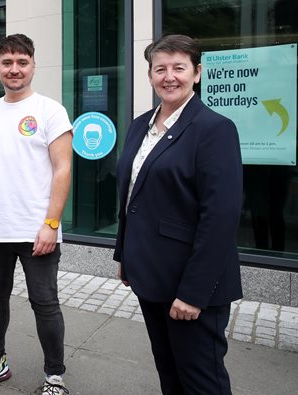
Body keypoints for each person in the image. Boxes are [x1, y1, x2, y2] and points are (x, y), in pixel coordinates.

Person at [114, 34, 243, 394]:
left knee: (203, 382)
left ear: (197, 73)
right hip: (151, 276)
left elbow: (220, 217)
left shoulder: (214, 129)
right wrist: (126, 255)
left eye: (179, 68)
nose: (169, 76)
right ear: (151, 75)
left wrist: (194, 293)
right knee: (169, 375)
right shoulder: (140, 125)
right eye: (160, 69)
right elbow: (132, 197)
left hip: (190, 285)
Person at [0, 34, 73, 395]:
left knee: (45, 304)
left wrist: (51, 224)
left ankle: (54, 376)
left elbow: (63, 170)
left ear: (33, 65)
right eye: (7, 62)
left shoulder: (50, 111)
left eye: (22, 62)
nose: (15, 69)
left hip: (37, 232)